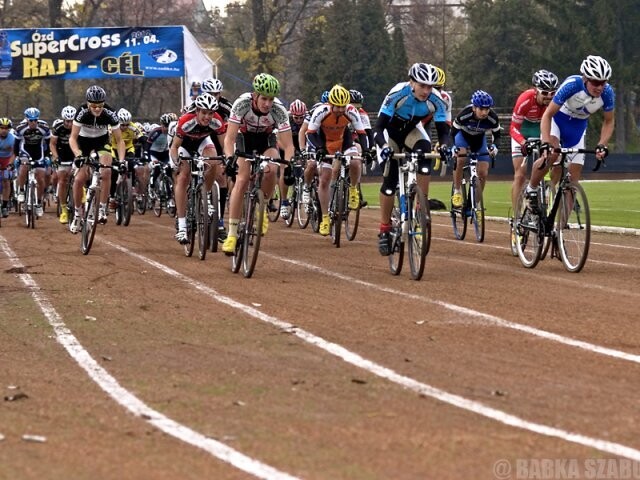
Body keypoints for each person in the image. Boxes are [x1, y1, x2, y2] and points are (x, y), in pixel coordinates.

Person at [374, 63, 449, 256]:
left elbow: (443, 131)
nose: (426, 91)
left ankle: (420, 206)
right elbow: (379, 127)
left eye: (430, 86)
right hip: (389, 134)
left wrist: (446, 146)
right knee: (389, 183)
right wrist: (383, 148)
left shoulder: (437, 100)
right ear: (412, 82)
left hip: (412, 132)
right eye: (422, 85)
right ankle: (384, 228)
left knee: (425, 153)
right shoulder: (398, 93)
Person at [527, 55, 614, 209]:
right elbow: (547, 115)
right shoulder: (572, 85)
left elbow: (608, 121)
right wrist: (546, 142)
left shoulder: (607, 93)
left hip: (577, 128)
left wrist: (602, 144)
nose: (600, 87)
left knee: (572, 183)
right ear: (586, 78)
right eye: (595, 82)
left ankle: (560, 229)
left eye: (603, 82)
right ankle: (531, 189)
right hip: (557, 121)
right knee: (552, 154)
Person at [221, 72, 295, 254]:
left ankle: (263, 207)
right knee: (242, 179)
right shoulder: (241, 104)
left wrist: (289, 166)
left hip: (265, 139)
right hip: (244, 139)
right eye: (264, 99)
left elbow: (289, 145)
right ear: (254, 95)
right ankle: (231, 235)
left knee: (272, 169)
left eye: (271, 99)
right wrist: (230, 159)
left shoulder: (278, 110)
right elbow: (229, 139)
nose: (267, 104)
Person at [306, 84, 368, 235]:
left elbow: (362, 133)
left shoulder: (351, 111)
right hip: (324, 143)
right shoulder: (321, 111)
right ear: (330, 104)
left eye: (343, 107)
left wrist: (366, 150)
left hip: (343, 141)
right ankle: (325, 218)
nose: (340, 110)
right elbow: (310, 133)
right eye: (337, 107)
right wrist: (319, 148)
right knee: (325, 178)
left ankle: (353, 190)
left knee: (355, 160)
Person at [169, 92, 226, 244]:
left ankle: (206, 196)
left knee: (213, 160)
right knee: (183, 176)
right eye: (204, 113)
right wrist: (176, 162)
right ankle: (182, 227)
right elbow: (174, 147)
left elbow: (224, 146)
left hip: (202, 141)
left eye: (211, 113)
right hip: (184, 145)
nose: (207, 117)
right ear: (197, 111)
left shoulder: (217, 121)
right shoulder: (186, 121)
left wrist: (228, 160)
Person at [69, 85, 126, 232]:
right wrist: (78, 156)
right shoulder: (81, 112)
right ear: (88, 103)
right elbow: (72, 138)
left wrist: (121, 161)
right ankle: (77, 213)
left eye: (100, 105)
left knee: (106, 172)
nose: (97, 109)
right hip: (83, 142)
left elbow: (119, 140)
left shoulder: (110, 113)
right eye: (93, 106)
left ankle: (102, 208)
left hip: (101, 141)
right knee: (79, 179)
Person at [509, 69, 559, 218]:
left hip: (543, 132)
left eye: (552, 93)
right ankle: (517, 218)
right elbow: (513, 128)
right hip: (523, 133)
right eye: (544, 93)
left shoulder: (556, 102)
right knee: (520, 175)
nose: (549, 97)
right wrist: (523, 143)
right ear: (535, 91)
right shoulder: (525, 99)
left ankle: (549, 191)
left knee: (555, 159)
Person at [450, 90, 501, 208]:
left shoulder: (492, 118)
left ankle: (476, 203)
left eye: (487, 109)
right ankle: (457, 191)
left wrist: (495, 146)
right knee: (461, 159)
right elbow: (452, 133)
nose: (484, 112)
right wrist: (453, 147)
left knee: (483, 172)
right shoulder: (465, 114)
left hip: (479, 140)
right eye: (481, 109)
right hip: (462, 137)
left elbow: (497, 135)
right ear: (474, 108)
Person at [14, 107, 51, 218]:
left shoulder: (44, 128)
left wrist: (48, 156)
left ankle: (39, 203)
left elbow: (48, 144)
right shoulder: (21, 128)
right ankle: (21, 191)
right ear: (27, 120)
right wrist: (17, 156)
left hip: (38, 151)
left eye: (35, 120)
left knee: (40, 177)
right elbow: (16, 145)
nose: (33, 123)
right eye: (31, 120)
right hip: (25, 150)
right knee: (24, 166)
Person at [110, 108, 144, 211]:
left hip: (128, 148)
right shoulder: (111, 128)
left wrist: (145, 152)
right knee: (114, 172)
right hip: (114, 149)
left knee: (131, 164)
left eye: (126, 124)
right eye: (122, 125)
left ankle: (131, 187)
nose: (125, 127)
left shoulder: (132, 127)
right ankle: (112, 197)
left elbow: (142, 138)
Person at [279, 98, 307, 220]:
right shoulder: (285, 119)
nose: (299, 120)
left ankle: (307, 190)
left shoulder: (308, 119)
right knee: (285, 170)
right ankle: (284, 202)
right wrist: (289, 150)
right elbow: (278, 139)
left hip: (302, 143)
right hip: (286, 143)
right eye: (296, 118)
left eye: (302, 117)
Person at [50, 105, 77, 224]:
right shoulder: (58, 127)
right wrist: (56, 157)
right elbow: (52, 144)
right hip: (62, 153)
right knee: (62, 180)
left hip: (75, 152)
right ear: (63, 119)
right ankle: (64, 209)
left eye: (72, 121)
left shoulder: (79, 126)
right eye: (67, 121)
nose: (69, 124)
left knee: (81, 176)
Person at [0, 117, 16, 217]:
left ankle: (5, 206)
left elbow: (14, 153)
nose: (4, 130)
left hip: (7, 159)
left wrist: (10, 164)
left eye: (6, 128)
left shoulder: (12, 138)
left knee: (6, 180)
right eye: (2, 128)